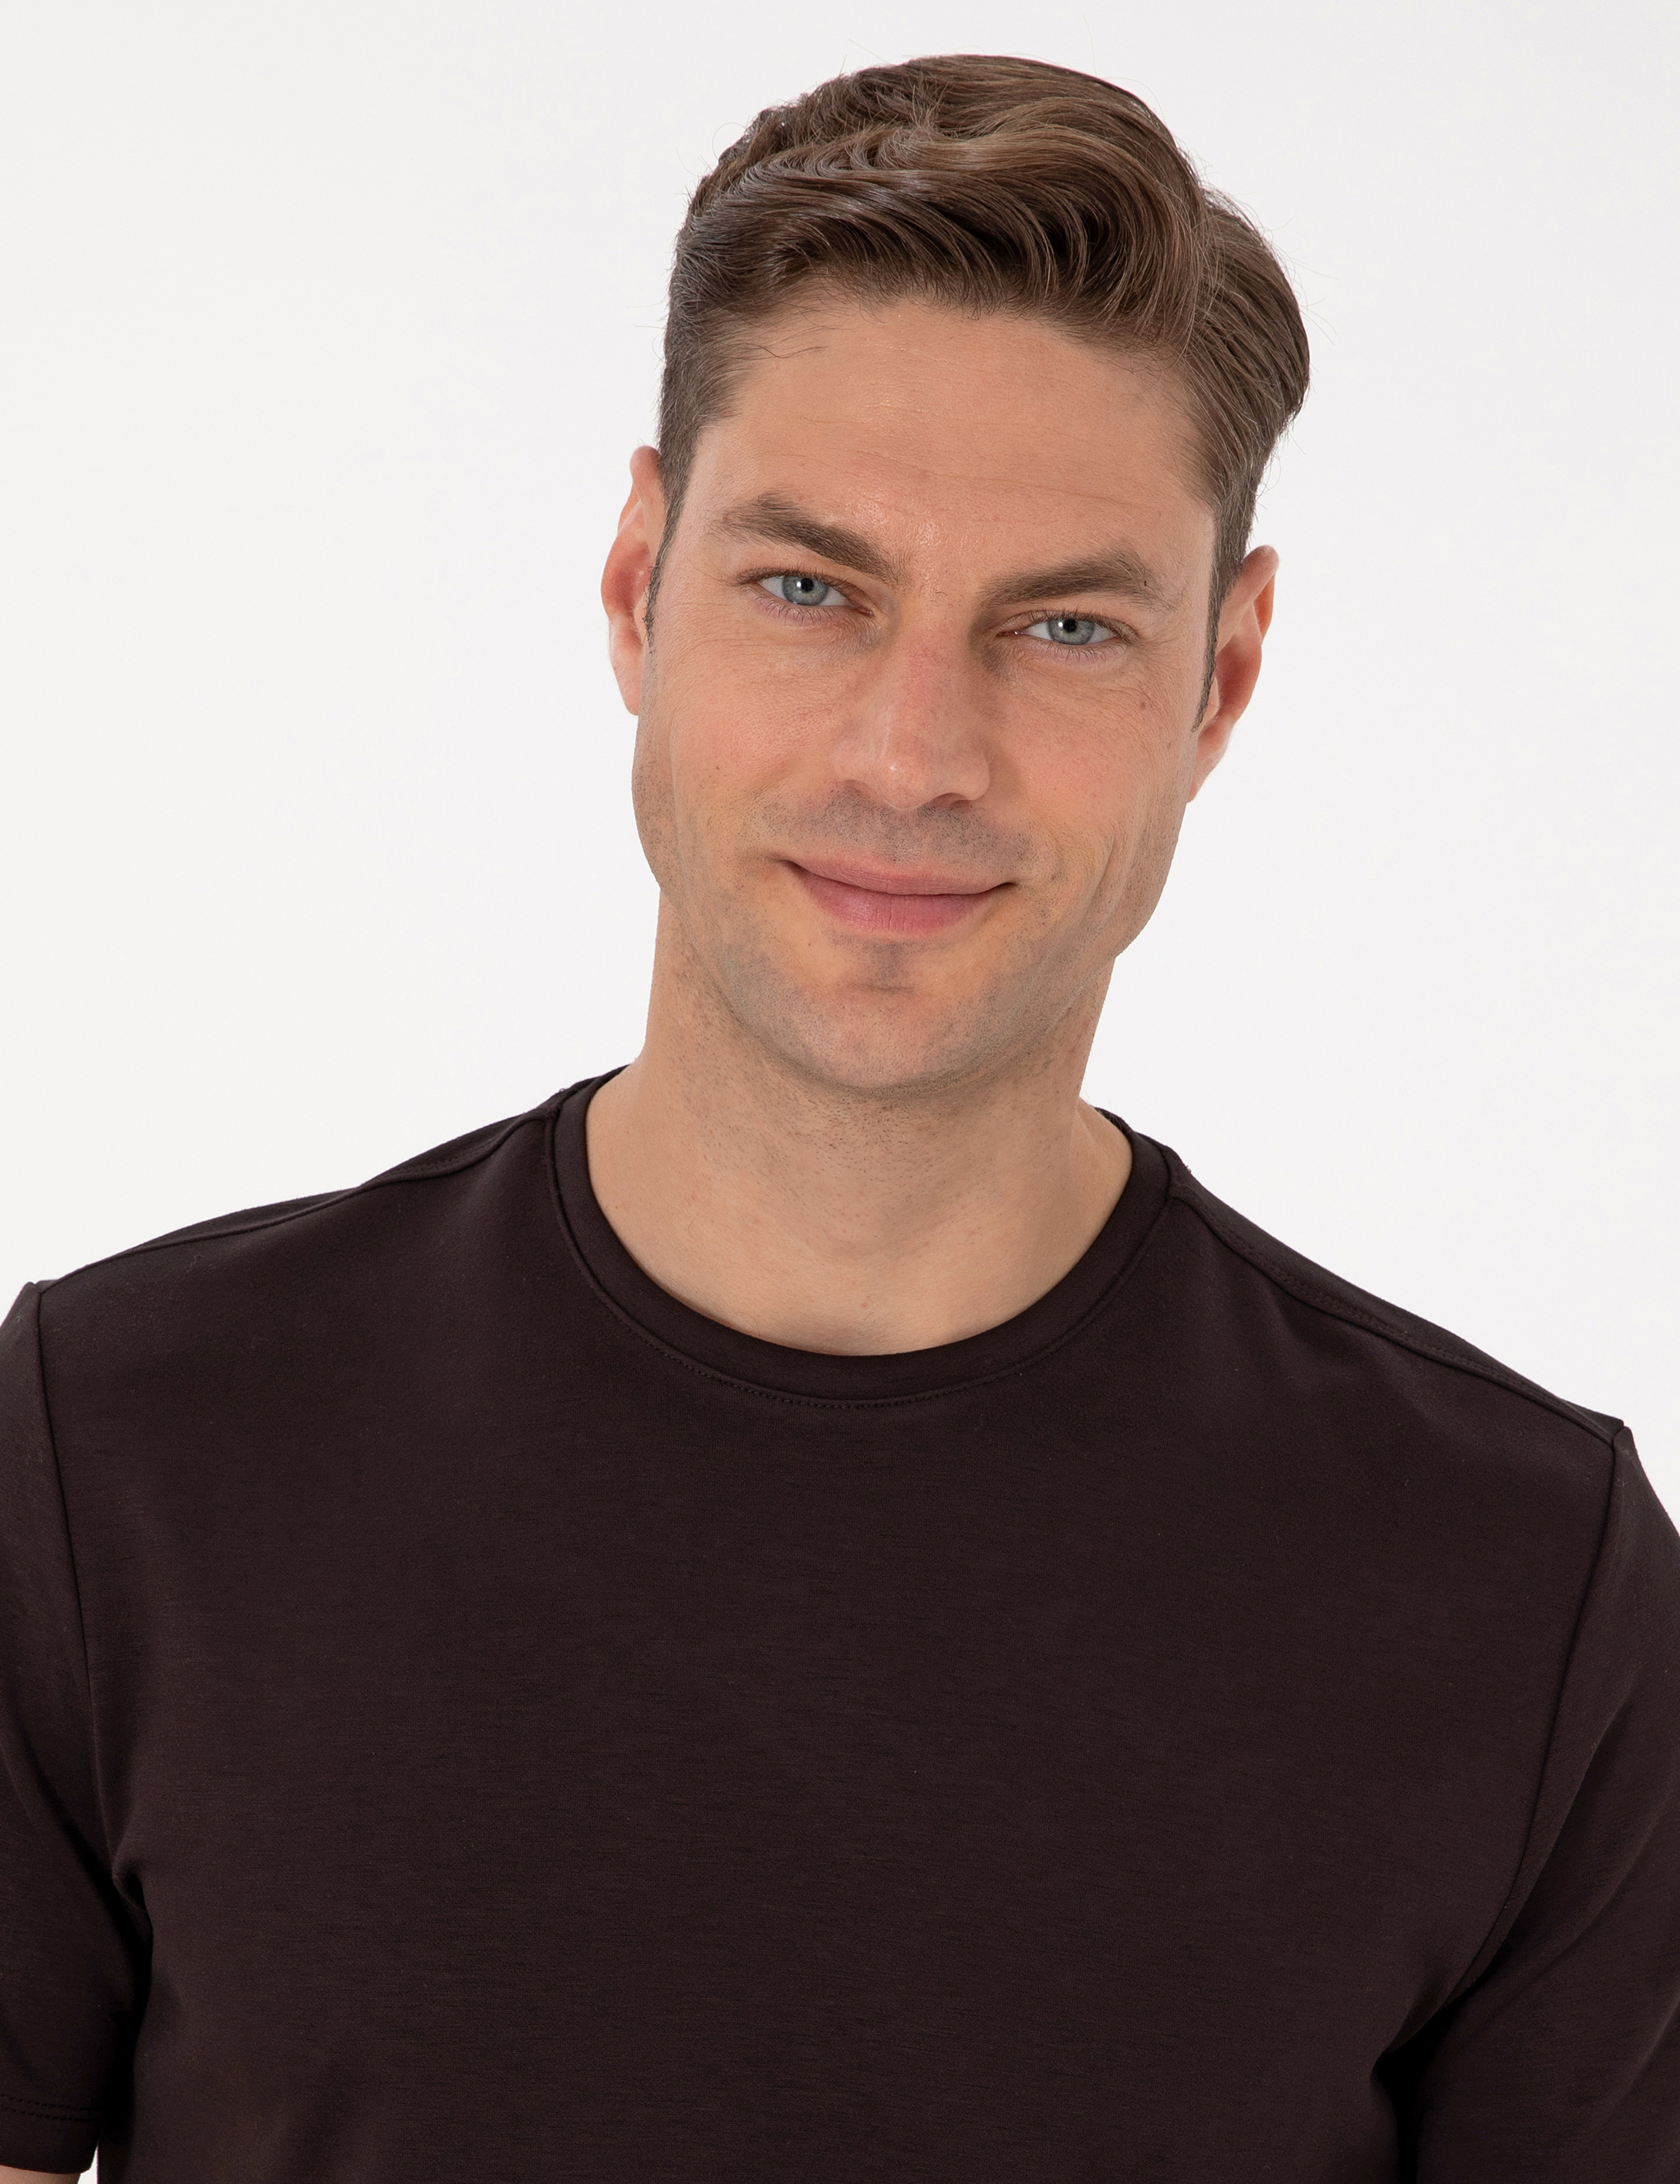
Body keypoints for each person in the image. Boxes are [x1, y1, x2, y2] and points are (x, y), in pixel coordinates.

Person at [2, 52, 1675, 2184]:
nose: (911, 754)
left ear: (1221, 681)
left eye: (1062, 626)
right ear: (637, 585)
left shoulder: (1526, 1592)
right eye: (810, 589)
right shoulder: (120, 1454)